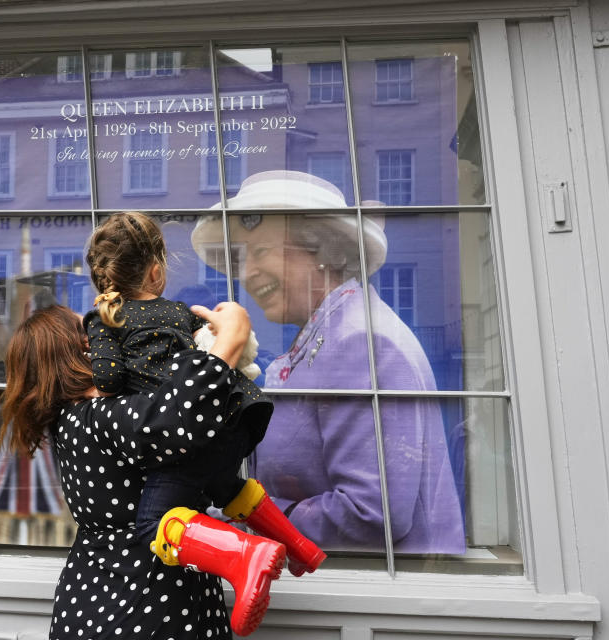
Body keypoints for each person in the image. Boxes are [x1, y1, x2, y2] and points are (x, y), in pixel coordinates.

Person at [0, 302, 317, 638]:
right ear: (81, 351)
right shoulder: (102, 415)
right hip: (139, 602)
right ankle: (253, 553)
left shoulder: (71, 419)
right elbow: (178, 418)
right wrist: (229, 344)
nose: (108, 337)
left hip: (103, 593)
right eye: (94, 334)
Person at [191, 171, 465, 555]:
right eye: (241, 257)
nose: (246, 272)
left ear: (327, 252)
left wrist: (253, 522)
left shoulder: (359, 341)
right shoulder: (332, 331)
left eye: (261, 251)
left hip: (373, 599)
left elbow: (372, 513)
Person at [84, 211, 325, 578]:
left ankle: (246, 556)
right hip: (230, 422)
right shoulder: (182, 312)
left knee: (153, 523)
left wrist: (96, 372)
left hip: (184, 437)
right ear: (155, 272)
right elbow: (212, 347)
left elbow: (110, 378)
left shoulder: (104, 320)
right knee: (228, 487)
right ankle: (302, 548)